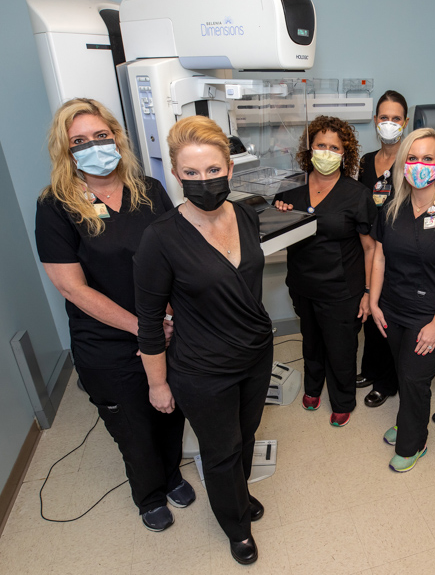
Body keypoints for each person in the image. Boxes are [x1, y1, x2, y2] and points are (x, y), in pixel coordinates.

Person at [35, 98, 191, 533]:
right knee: (132, 425)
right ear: (66, 151)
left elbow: (175, 258)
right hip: (106, 339)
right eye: (80, 141)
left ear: (116, 138)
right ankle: (149, 493)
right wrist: (142, 329)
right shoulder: (56, 206)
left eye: (101, 136)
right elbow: (71, 286)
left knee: (169, 409)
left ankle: (174, 473)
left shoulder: (149, 190)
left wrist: (171, 317)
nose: (93, 146)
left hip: (163, 329)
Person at [135, 116, 273, 565]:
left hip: (255, 352)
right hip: (203, 368)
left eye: (213, 171)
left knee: (247, 435)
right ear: (175, 175)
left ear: (230, 169)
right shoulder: (160, 239)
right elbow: (150, 321)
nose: (204, 181)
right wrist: (158, 384)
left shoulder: (247, 213)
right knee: (221, 449)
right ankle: (236, 525)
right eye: (190, 173)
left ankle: (238, 496)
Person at [370, 128, 435, 472]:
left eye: (427, 158)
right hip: (393, 309)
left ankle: (414, 442)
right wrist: (373, 301)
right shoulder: (392, 206)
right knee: (404, 373)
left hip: (431, 315)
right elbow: (380, 257)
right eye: (412, 158)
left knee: (415, 380)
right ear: (403, 164)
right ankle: (407, 421)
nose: (419, 164)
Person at [273, 115, 377, 427]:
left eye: (334, 147)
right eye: (321, 145)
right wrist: (279, 215)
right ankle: (313, 388)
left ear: (345, 154)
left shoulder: (356, 194)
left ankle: (343, 400)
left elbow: (371, 248)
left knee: (341, 349)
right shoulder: (291, 189)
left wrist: (369, 293)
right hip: (303, 285)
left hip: (342, 289)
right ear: (310, 148)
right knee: (311, 341)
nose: (327, 152)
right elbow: (276, 232)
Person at [355, 90, 408, 408]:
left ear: (405, 122)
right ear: (376, 121)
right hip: (369, 248)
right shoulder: (366, 161)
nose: (389, 123)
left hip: (398, 252)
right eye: (384, 117)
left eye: (396, 118)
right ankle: (371, 369)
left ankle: (387, 382)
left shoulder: (411, 162)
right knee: (370, 309)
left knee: (388, 317)